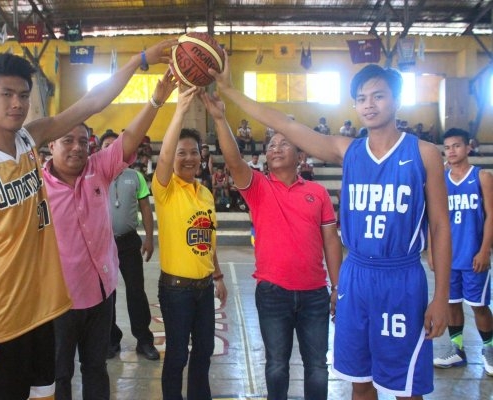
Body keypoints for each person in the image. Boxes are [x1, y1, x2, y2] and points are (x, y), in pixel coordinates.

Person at [0, 40, 175, 400]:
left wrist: (139, 61)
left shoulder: (30, 140)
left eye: (23, 95)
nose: (17, 103)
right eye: (6, 94)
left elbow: (92, 102)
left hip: (41, 317)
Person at [209, 58, 451, 399]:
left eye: (378, 96)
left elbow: (440, 226)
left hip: (401, 277)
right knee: (359, 380)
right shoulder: (346, 150)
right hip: (356, 275)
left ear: (396, 100)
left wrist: (440, 296)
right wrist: (231, 91)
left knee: (405, 386)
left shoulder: (424, 153)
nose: (369, 104)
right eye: (362, 97)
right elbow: (283, 123)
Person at [43, 70, 176, 400]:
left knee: (96, 370)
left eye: (82, 141)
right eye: (67, 141)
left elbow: (129, 138)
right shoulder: (36, 187)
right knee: (59, 374)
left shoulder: (98, 169)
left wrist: (156, 100)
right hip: (58, 304)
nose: (76, 148)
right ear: (50, 145)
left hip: (100, 298)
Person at [201, 91, 342, 400]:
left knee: (318, 367)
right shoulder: (259, 188)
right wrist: (220, 118)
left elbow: (331, 241)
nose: (275, 148)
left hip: (315, 295)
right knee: (277, 366)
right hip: (273, 293)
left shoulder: (318, 193)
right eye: (271, 145)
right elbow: (234, 160)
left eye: (284, 143)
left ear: (300, 155)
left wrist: (337, 288)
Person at [152, 85, 227, 400]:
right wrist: (180, 109)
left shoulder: (205, 193)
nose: (187, 157)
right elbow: (166, 154)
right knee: (178, 354)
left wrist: (218, 276)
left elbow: (208, 240)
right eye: (181, 152)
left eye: (193, 151)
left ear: (202, 156)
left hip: (203, 287)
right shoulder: (165, 189)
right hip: (176, 290)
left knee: (204, 352)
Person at [431, 128, 493, 375]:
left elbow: (491, 216)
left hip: (473, 254)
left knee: (479, 305)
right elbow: (433, 220)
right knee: (451, 304)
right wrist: (433, 253)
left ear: (468, 147)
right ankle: (457, 350)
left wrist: (485, 249)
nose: (452, 151)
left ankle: (488, 348)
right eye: (447, 147)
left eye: (457, 146)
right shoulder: (441, 181)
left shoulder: (482, 177)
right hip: (449, 257)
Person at [100, 131, 160, 362]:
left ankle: (144, 340)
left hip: (128, 241)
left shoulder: (135, 177)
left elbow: (145, 208)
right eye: (106, 146)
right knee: (107, 294)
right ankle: (111, 340)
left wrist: (149, 238)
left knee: (136, 291)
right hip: (103, 245)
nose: (110, 150)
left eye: (114, 146)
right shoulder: (95, 175)